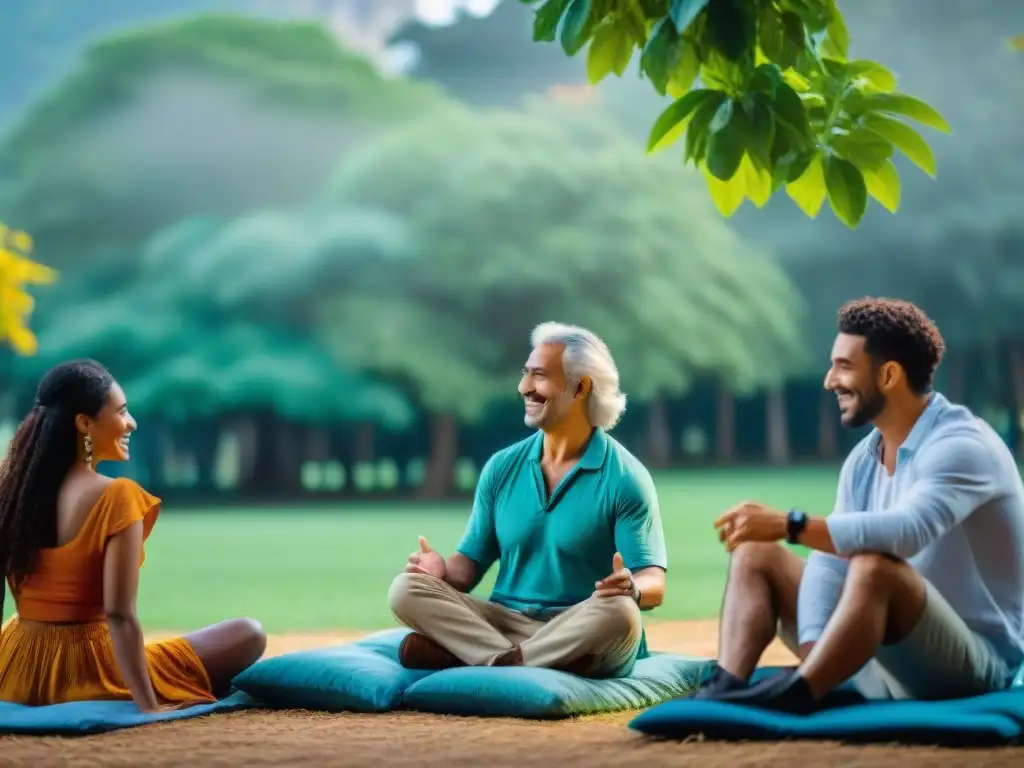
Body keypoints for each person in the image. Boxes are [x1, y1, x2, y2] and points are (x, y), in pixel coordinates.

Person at [692, 297, 1024, 713]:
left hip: (972, 670)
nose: (830, 380)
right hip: (881, 653)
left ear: (888, 375)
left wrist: (790, 524)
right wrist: (813, 643)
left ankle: (797, 696)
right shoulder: (865, 458)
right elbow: (830, 561)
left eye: (844, 366)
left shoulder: (962, 446)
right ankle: (728, 686)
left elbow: (907, 532)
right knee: (756, 555)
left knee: (875, 567)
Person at [388, 322, 667, 678]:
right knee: (406, 589)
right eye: (525, 374)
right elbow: (468, 567)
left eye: (539, 376)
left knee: (622, 613)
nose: (524, 387)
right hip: (505, 623)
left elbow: (653, 582)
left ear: (580, 387)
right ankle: (522, 661)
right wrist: (440, 572)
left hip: (581, 624)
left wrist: (633, 588)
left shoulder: (626, 479)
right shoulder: (502, 468)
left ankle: (475, 657)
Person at [0, 359, 267, 710]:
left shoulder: (12, 492)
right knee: (249, 634)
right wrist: (147, 705)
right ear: (84, 424)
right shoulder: (117, 496)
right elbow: (119, 615)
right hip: (91, 668)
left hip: (16, 665)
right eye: (122, 411)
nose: (131, 423)